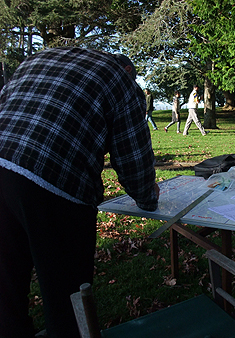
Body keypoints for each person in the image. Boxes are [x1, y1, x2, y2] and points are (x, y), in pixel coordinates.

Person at [0, 47, 160, 338]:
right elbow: (132, 158)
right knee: (67, 298)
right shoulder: (120, 80)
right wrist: (148, 197)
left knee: (5, 291)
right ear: (129, 72)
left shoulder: (40, 57)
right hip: (54, 184)